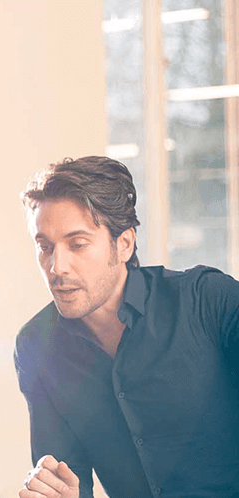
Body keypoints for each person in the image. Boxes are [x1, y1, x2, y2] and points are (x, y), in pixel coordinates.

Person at [14, 156, 239, 498]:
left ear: (124, 244)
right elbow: (67, 480)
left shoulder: (209, 301)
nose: (56, 266)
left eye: (77, 244)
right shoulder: (37, 346)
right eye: (45, 247)